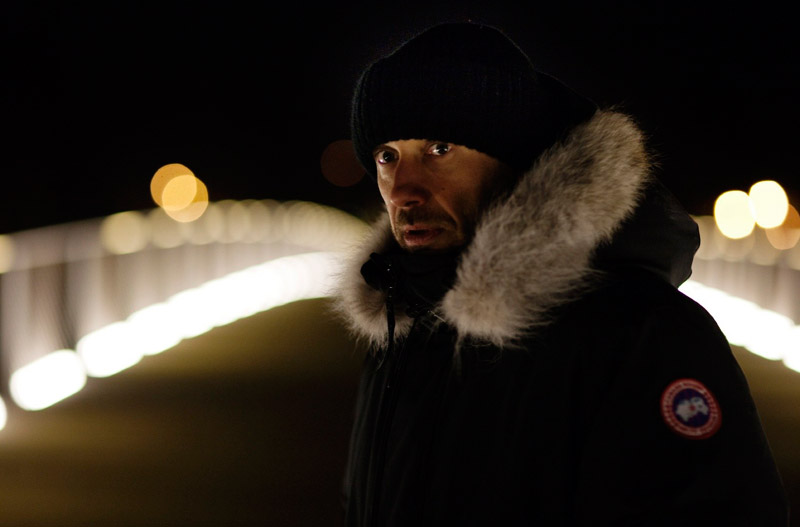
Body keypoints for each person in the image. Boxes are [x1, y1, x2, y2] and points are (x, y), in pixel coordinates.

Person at [332, 22, 789, 526]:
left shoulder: (643, 332)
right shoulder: (403, 326)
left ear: (512, 160)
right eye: (387, 156)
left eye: (439, 149)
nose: (402, 190)